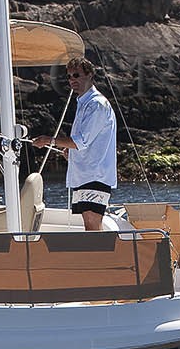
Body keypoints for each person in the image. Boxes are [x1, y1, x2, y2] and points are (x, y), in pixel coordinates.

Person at [29, 58, 116, 231]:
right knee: (89, 224)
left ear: (90, 75)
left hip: (95, 175)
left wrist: (48, 140)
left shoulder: (96, 105)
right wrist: (71, 152)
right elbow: (87, 142)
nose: (72, 80)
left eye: (76, 75)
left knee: (92, 224)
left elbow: (81, 141)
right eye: (69, 77)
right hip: (86, 175)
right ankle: (95, 257)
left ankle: (97, 257)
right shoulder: (84, 103)